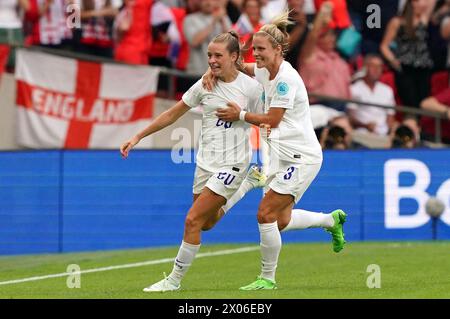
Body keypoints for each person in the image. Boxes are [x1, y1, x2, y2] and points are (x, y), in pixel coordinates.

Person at [204, 11, 346, 290]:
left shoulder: (286, 80)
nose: (254, 54)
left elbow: (272, 120)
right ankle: (330, 220)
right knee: (279, 221)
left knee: (265, 214)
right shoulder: (263, 69)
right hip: (282, 157)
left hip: (302, 157)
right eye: (253, 48)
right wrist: (214, 70)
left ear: (278, 50)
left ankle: (267, 279)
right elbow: (241, 68)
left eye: (260, 49)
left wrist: (241, 114)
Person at [120, 31, 266, 292]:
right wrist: (138, 136)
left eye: (218, 55)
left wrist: (241, 114)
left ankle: (173, 281)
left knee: (192, 221)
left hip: (233, 163)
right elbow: (172, 114)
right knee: (206, 223)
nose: (211, 60)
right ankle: (247, 185)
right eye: (209, 55)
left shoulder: (251, 88)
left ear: (234, 57)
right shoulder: (204, 84)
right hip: (205, 163)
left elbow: (265, 120)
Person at [347, 54, 397, 136]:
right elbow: (351, 118)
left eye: (379, 66)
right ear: (365, 68)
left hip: (384, 136)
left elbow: (390, 118)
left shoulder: (387, 90)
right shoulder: (354, 89)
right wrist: (366, 126)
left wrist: (390, 131)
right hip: (361, 134)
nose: (376, 69)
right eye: (373, 66)